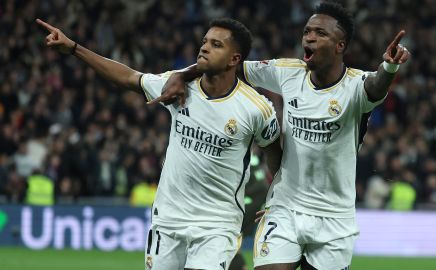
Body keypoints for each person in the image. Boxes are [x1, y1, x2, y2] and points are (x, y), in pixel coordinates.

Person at [153, 2, 411, 269]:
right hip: (284, 208)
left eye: (320, 33)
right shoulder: (288, 71)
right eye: (307, 31)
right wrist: (182, 75)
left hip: (334, 218)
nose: (309, 37)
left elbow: (375, 88)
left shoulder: (355, 86)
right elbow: (227, 64)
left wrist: (389, 68)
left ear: (340, 46)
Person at [37, 17, 282, 270]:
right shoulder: (178, 88)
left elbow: (275, 154)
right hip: (167, 221)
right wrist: (75, 48)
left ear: (234, 59)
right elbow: (129, 77)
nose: (205, 47)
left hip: (217, 225)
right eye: (205, 41)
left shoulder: (256, 108)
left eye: (216, 44)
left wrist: (278, 199)